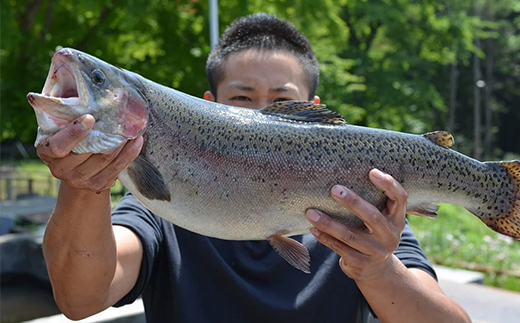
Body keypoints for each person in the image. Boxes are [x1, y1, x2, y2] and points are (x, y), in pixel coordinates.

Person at [38, 13, 471, 323]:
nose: (261, 115)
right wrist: (81, 185)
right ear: (208, 107)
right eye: (242, 99)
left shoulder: (364, 221)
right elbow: (81, 299)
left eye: (282, 102)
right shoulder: (158, 201)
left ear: (314, 112)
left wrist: (378, 268)